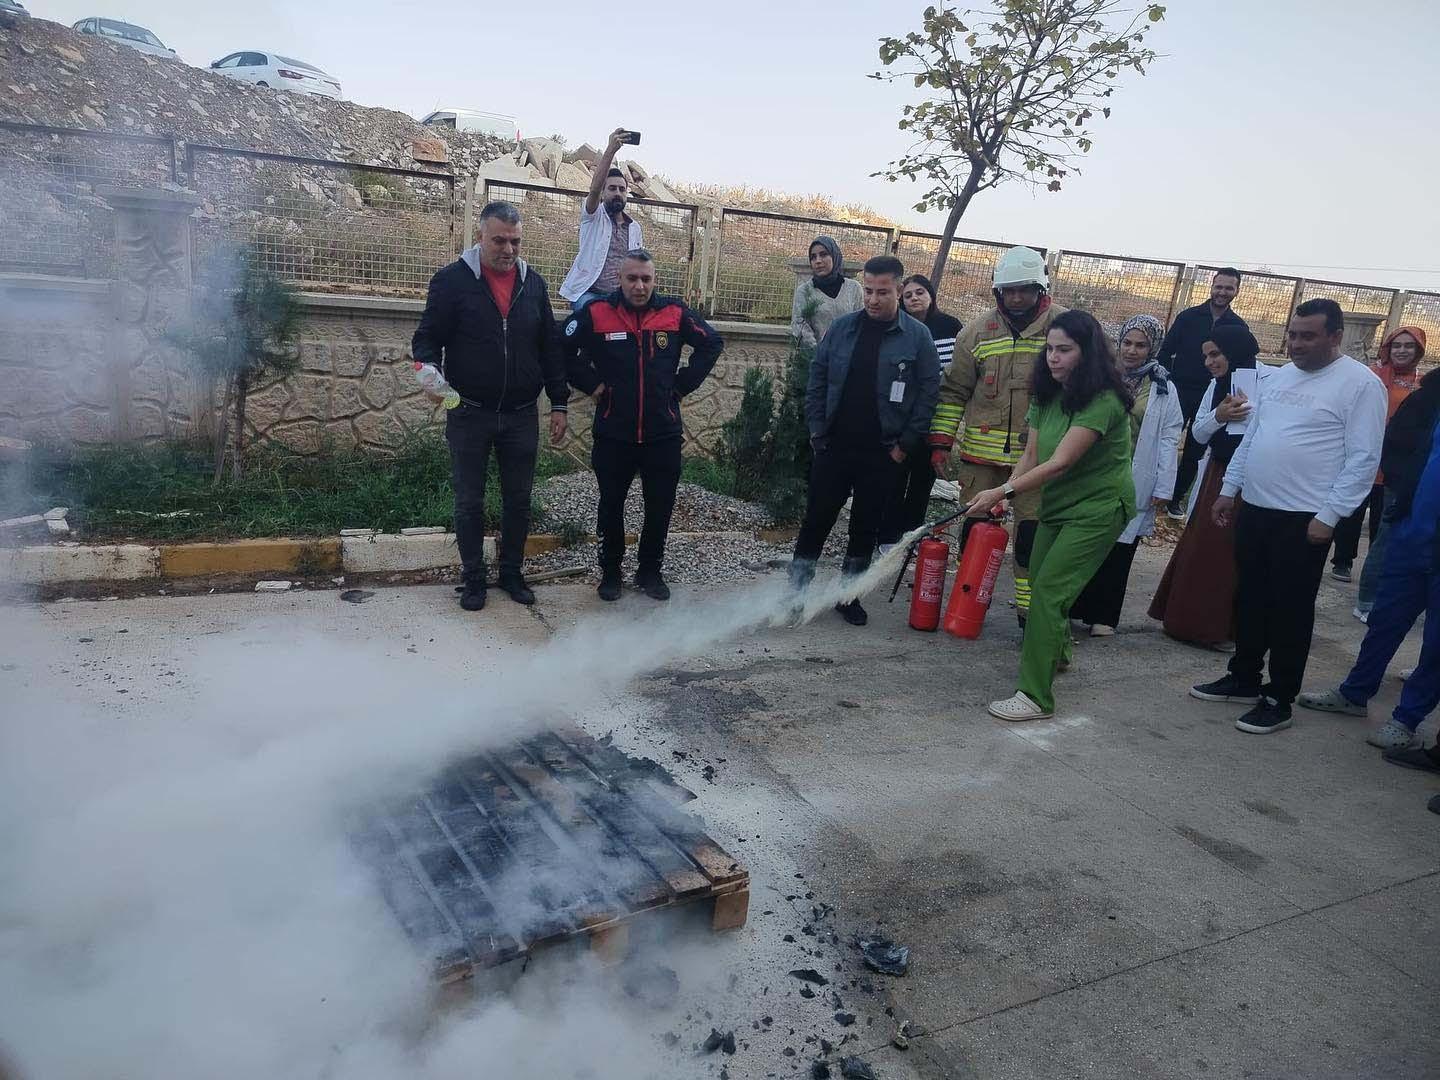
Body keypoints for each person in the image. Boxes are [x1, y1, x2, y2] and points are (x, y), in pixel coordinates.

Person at [1190, 299, 1387, 735]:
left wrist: (1331, 515)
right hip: (1257, 507)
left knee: (1289, 610)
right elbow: (1253, 437)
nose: (1296, 344)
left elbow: (1363, 458)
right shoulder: (1279, 378)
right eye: (1292, 335)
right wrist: (1229, 490)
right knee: (1249, 598)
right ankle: (1243, 677)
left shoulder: (1360, 385)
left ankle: (1279, 696)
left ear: (1335, 337)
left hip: (1305, 518)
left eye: (1307, 336)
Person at [967, 310, 1136, 722]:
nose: (1053, 358)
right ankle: (1057, 653)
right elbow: (1031, 454)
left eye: (1065, 350)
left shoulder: (1104, 400)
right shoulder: (1047, 393)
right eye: (1050, 349)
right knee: (1039, 578)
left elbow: (1060, 462)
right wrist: (1006, 493)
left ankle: (1035, 696)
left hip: (1098, 509)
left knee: (1048, 593)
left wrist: (1000, 491)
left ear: (1088, 353)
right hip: (1058, 506)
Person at [412, 201, 569, 613]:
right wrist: (427, 370)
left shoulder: (533, 284)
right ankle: (473, 579)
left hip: (521, 413)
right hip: (469, 411)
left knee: (519, 501)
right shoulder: (451, 281)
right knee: (469, 502)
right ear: (480, 236)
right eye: (499, 240)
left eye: (515, 241)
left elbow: (550, 348)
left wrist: (559, 402)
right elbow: (427, 337)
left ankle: (512, 574)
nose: (508, 249)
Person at [561, 249, 723, 602]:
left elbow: (712, 343)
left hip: (662, 433)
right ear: (619, 279)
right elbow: (561, 348)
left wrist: (681, 386)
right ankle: (611, 572)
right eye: (632, 278)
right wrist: (591, 384)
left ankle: (650, 571)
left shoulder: (674, 313)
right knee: (611, 505)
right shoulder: (596, 312)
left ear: (655, 280)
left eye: (646, 279)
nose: (639, 286)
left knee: (660, 506)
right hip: (613, 432)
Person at [788, 255, 941, 626]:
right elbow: (818, 379)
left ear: (899, 290)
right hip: (834, 448)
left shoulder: (918, 337)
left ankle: (848, 596)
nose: (873, 299)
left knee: (865, 528)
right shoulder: (842, 328)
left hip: (883, 454)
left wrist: (904, 446)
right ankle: (795, 594)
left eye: (882, 292)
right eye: (868, 291)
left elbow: (928, 394)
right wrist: (817, 432)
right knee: (816, 522)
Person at [1296, 365, 1440, 750]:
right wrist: (1400, 502)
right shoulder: (1432, 395)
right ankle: (1355, 693)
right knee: (1384, 621)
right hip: (1411, 534)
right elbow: (1403, 447)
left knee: (1436, 644)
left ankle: (1406, 719)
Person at [929, 246, 1065, 626]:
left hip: (1038, 462)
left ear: (1040, 289)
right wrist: (941, 442)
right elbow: (953, 392)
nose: (1016, 298)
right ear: (998, 291)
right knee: (974, 533)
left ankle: (1030, 617)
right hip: (980, 462)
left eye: (1024, 290)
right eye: (1009, 290)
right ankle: (968, 608)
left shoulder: (1065, 327)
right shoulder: (975, 332)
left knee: (1031, 540)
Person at [1148, 325, 1264, 648]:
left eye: (1216, 354)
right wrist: (1220, 415)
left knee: (1237, 554)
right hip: (1218, 474)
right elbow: (1198, 433)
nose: (1209, 362)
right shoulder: (1216, 385)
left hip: (1254, 476)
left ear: (1234, 351)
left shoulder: (1269, 380)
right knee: (1206, 547)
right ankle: (1188, 623)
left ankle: (1223, 629)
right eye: (1206, 356)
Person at [1070, 314, 1184, 636]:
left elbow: (1169, 437)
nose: (1132, 351)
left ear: (1153, 348)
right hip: (1097, 471)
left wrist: (1164, 484)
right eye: (1127, 343)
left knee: (1121, 547)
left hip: (1135, 475)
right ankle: (1073, 607)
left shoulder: (1163, 387)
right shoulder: (1102, 377)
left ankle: (1103, 616)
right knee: (1084, 542)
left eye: (1141, 345)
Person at [877, 274, 963, 549]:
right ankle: (887, 537)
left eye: (920, 292)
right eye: (908, 295)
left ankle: (911, 536)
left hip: (935, 416)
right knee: (894, 477)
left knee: (922, 481)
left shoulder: (950, 326)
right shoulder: (896, 327)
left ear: (931, 295)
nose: (914, 298)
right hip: (901, 416)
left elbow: (957, 372)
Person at [1155, 268, 1249, 517]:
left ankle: (1176, 499)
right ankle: (1155, 490)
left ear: (1237, 291)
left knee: (1196, 449)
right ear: (1211, 286)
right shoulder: (1188, 317)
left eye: (1229, 288)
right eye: (1219, 286)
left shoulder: (1238, 326)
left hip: (1213, 396)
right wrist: (1166, 384)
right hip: (1179, 390)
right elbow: (1165, 352)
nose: (1222, 292)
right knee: (1165, 440)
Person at [1342, 327, 1427, 603]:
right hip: (1362, 456)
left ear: (1419, 351)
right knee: (1349, 514)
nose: (1402, 351)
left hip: (1394, 468)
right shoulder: (1371, 376)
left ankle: (1374, 578)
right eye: (1396, 345)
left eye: (1409, 346)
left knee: (1382, 525)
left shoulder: (1423, 385)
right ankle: (1342, 561)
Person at [558, 128, 644, 311]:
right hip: (588, 293)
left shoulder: (634, 228)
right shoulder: (593, 216)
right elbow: (594, 189)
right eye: (612, 188)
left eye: (622, 189)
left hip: (620, 297)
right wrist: (610, 150)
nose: (618, 193)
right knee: (595, 315)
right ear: (603, 193)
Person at [790, 236, 863, 348]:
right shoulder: (805, 291)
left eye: (823, 254)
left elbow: (861, 324)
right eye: (813, 257)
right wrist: (818, 353)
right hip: (816, 355)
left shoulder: (853, 288)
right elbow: (800, 326)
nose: (818, 261)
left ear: (834, 256)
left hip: (849, 355)